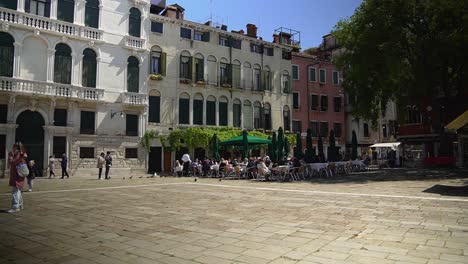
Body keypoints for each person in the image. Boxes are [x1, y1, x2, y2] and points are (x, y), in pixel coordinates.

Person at [8, 142, 27, 213]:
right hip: (21, 174)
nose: (13, 148)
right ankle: (20, 205)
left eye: (14, 147)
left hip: (17, 174)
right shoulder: (22, 154)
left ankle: (15, 207)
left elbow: (12, 163)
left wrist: (11, 157)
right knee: (18, 190)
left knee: (15, 191)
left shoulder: (16, 154)